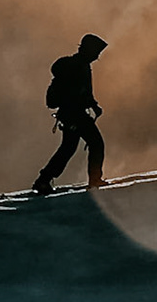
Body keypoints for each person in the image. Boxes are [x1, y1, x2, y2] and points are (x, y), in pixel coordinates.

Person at [32, 34, 108, 196]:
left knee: (68, 148)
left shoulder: (80, 66)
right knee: (95, 144)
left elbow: (84, 93)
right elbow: (78, 93)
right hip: (75, 114)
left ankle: (43, 180)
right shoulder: (78, 67)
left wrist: (93, 105)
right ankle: (94, 179)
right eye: (96, 52)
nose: (97, 56)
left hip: (70, 115)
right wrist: (90, 105)